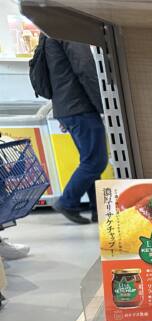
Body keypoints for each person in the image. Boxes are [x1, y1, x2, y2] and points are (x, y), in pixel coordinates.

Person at [31, 34, 108, 225]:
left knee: (90, 160)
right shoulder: (68, 32)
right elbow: (85, 68)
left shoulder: (49, 34)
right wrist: (104, 105)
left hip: (67, 107)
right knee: (96, 162)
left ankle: (98, 210)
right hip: (80, 106)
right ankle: (67, 202)